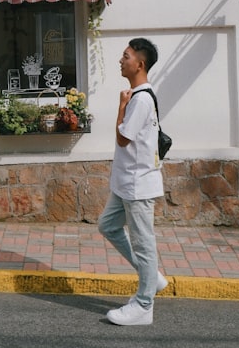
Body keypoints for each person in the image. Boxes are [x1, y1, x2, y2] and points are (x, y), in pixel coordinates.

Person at [98, 37, 167, 326]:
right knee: (108, 226)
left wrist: (120, 106)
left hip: (138, 185)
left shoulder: (139, 99)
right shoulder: (140, 95)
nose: (120, 60)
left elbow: (123, 137)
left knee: (143, 244)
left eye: (126, 56)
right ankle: (152, 279)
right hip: (125, 183)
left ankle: (143, 304)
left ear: (139, 64)